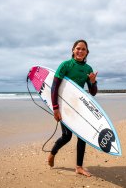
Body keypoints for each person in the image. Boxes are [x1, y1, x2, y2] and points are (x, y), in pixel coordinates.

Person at [47, 39, 98, 177]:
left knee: (83, 135)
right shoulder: (65, 65)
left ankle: (79, 167)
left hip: (79, 106)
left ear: (87, 52)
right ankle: (52, 153)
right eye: (78, 48)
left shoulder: (88, 69)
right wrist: (56, 108)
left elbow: (92, 92)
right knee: (67, 136)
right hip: (64, 105)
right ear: (73, 50)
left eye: (83, 49)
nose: (80, 51)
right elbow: (54, 87)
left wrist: (93, 82)